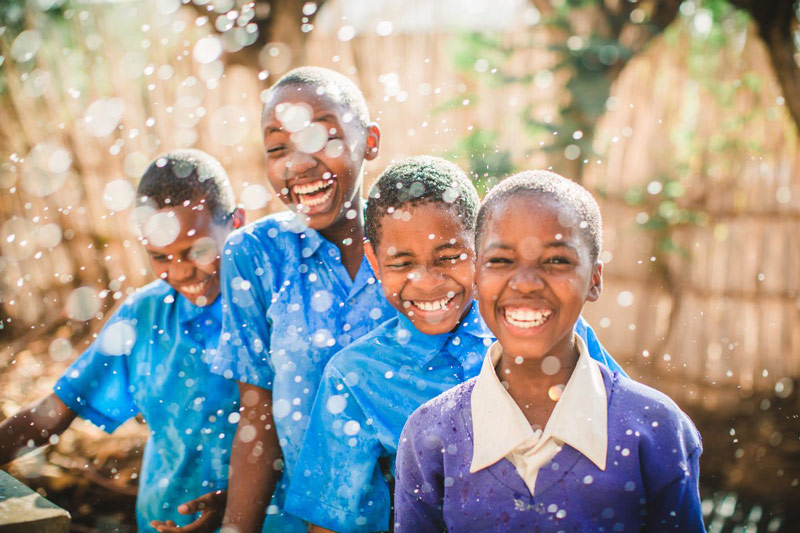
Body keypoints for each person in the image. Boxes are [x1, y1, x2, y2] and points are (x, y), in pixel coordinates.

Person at [284, 157, 626, 532]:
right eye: (401, 263)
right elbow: (334, 522)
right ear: (374, 262)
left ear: (481, 249)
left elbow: (627, 431)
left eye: (448, 258)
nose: (428, 282)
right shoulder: (355, 377)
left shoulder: (543, 327)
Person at [394, 170, 705, 532]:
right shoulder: (430, 435)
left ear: (595, 279)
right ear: (476, 276)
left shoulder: (654, 429)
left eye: (556, 261)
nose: (526, 282)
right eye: (501, 261)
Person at [0, 149, 246, 532]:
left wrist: (240, 501)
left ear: (236, 223)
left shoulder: (268, 308)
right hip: (165, 517)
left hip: (268, 519)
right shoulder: (144, 316)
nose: (180, 272)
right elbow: (55, 411)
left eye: (197, 250)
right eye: (160, 257)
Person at [210, 66, 394, 532]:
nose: (298, 163)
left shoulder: (416, 250)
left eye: (323, 138)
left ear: (370, 141)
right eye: (278, 148)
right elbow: (258, 412)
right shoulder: (257, 256)